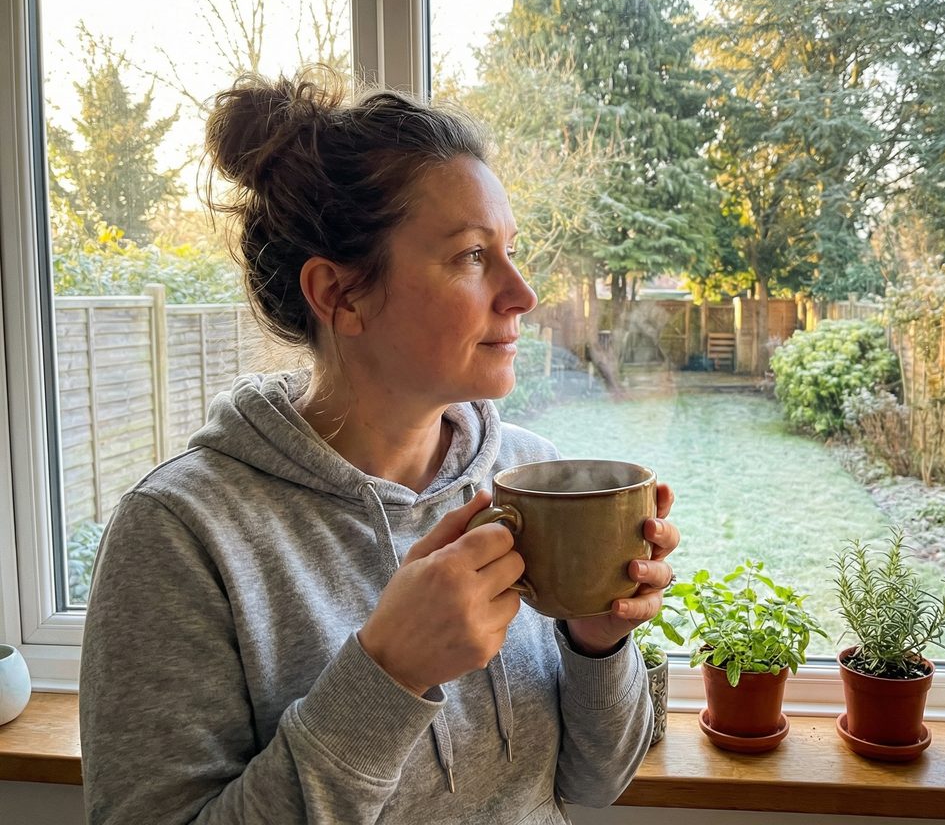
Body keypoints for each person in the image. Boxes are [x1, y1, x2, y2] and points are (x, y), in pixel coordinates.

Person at [78, 66, 680, 824]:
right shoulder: (180, 532)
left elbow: (595, 783)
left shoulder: (526, 476)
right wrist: (387, 674)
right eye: (471, 255)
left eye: (510, 250)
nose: (523, 294)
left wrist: (598, 641)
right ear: (339, 295)